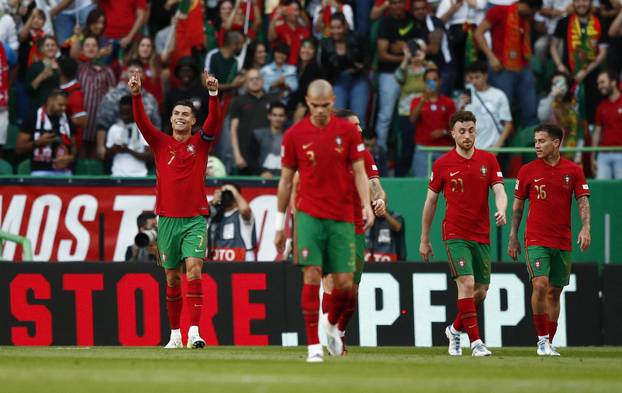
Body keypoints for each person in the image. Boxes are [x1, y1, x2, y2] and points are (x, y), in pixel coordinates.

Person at [274, 80, 374, 362]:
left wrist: (366, 205)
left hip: (342, 216)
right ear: (307, 102)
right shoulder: (295, 134)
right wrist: (280, 225)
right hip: (309, 215)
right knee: (312, 275)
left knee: (344, 285)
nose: (320, 110)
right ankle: (313, 347)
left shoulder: (348, 132)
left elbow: (358, 171)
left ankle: (329, 326)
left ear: (332, 101)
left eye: (325, 105)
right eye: (315, 106)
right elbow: (285, 180)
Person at [127, 68, 221, 349]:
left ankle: (194, 331)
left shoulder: (200, 144)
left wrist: (213, 94)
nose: (180, 117)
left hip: (194, 219)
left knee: (194, 270)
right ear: (171, 119)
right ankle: (175, 335)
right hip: (167, 220)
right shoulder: (160, 143)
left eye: (186, 115)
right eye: (176, 114)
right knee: (171, 278)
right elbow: (142, 122)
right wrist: (136, 95)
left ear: (193, 122)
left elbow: (214, 121)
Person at [419, 110, 507, 357]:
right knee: (466, 283)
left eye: (471, 130)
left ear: (476, 130)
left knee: (480, 291)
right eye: (462, 131)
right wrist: (424, 238)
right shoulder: (442, 164)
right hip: (455, 233)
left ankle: (454, 330)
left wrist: (501, 209)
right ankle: (476, 342)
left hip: (482, 234)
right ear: (453, 134)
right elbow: (430, 202)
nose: (467, 135)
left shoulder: (488, 160)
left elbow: (500, 190)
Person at [508, 123, 591, 356]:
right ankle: (542, 340)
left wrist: (586, 229)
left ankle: (549, 342)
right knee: (540, 284)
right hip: (536, 239)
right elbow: (517, 208)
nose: (536, 145)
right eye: (535, 141)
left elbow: (583, 201)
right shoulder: (527, 171)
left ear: (556, 143)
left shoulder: (573, 170)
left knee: (555, 292)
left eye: (542, 141)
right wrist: (513, 237)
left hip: (562, 240)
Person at [319, 108, 387, 355]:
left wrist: (379, 201)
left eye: (359, 125)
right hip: (328, 224)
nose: (359, 129)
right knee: (330, 283)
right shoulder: (324, 151)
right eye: (354, 125)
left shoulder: (363, 155)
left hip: (355, 226)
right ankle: (332, 338)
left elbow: (376, 186)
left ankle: (338, 331)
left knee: (351, 291)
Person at [474, 0, 541, 129]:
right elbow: (478, 32)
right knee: (503, 109)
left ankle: (533, 143)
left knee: (530, 108)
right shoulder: (499, 11)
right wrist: (491, 57)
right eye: (532, 11)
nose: (532, 14)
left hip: (524, 67)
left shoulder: (525, 19)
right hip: (502, 68)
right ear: (527, 5)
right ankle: (501, 145)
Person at [550, 0, 607, 125]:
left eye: (585, 1)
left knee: (592, 109)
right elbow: (553, 46)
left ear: (591, 3)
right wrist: (560, 66)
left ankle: (590, 138)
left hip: (592, 74)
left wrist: (586, 71)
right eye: (578, 1)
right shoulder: (564, 22)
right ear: (573, 3)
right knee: (566, 110)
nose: (581, 4)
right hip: (568, 74)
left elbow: (602, 52)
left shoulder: (600, 22)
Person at [375, 0, 419, 154]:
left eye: (400, 2)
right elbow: (382, 55)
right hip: (389, 74)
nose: (397, 6)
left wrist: (402, 49)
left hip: (413, 73)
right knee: (385, 115)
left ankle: (414, 151)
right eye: (393, 3)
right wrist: (406, 57)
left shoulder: (412, 19)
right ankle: (380, 152)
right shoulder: (385, 22)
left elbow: (420, 47)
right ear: (389, 5)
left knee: (413, 114)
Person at [96, 60, 160, 160]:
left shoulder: (150, 99)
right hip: (116, 145)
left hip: (143, 147)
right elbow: (102, 123)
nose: (134, 75)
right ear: (125, 74)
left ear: (143, 75)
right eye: (131, 72)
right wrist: (100, 146)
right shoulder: (113, 96)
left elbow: (156, 125)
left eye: (138, 72)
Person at [319, 12, 370, 129]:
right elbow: (324, 68)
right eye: (332, 28)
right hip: (337, 81)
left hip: (358, 79)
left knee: (358, 117)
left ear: (345, 26)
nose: (336, 31)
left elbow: (367, 57)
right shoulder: (326, 44)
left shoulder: (357, 38)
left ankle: (359, 145)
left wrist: (361, 67)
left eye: (338, 27)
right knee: (338, 117)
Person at [394, 40, 435, 176]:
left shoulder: (429, 68)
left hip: (425, 112)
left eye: (419, 50)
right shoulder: (405, 68)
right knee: (407, 148)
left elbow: (434, 84)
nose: (415, 53)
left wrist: (423, 62)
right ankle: (401, 178)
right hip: (407, 112)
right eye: (413, 50)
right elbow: (398, 78)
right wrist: (406, 59)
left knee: (424, 144)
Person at [16, 89, 76, 176]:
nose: (64, 108)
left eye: (65, 105)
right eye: (60, 105)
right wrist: (38, 143)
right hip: (40, 171)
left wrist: (70, 158)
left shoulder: (67, 120)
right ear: (50, 101)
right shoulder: (33, 118)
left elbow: (74, 149)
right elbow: (19, 149)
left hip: (64, 171)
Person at [229, 68, 278, 174]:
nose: (254, 81)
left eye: (257, 78)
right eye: (251, 79)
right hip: (244, 156)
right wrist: (237, 155)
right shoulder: (238, 101)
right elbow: (233, 129)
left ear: (263, 80)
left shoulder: (273, 100)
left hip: (268, 156)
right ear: (246, 82)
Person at [410, 68, 456, 177]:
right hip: (423, 150)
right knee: (422, 186)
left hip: (443, 150)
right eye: (428, 81)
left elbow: (456, 130)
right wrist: (422, 101)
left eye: (434, 80)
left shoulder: (449, 103)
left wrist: (444, 132)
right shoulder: (417, 101)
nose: (432, 83)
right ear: (424, 82)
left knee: (446, 187)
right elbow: (412, 120)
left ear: (440, 81)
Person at [459, 60, 513, 149]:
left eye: (477, 77)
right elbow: (461, 124)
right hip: (473, 148)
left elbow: (508, 124)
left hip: (493, 147)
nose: (474, 81)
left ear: (485, 76)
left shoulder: (498, 95)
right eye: (471, 78)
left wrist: (497, 146)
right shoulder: (467, 95)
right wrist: (461, 108)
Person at [77, 35, 116, 158]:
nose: (91, 48)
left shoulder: (107, 71)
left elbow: (112, 97)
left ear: (99, 49)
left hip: (99, 124)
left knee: (97, 161)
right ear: (82, 50)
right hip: (81, 124)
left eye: (94, 45)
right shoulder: (79, 69)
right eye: (87, 45)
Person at [436, 0, 487, 91]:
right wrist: (453, 9)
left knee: (476, 65)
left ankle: (477, 91)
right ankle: (460, 90)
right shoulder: (447, 1)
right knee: (458, 66)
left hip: (475, 32)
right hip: (455, 34)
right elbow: (438, 21)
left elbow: (481, 6)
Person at [537, 72, 584, 163]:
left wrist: (578, 153)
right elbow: (542, 116)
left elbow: (580, 130)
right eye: (554, 83)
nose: (558, 86)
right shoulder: (546, 101)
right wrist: (552, 95)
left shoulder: (574, 105)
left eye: (561, 83)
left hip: (571, 154)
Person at [105, 95, 152, 177]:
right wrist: (115, 149)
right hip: (117, 175)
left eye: (127, 113)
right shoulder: (114, 128)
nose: (124, 116)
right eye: (122, 113)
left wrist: (129, 151)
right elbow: (106, 157)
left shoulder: (144, 129)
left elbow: (150, 156)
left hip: (139, 176)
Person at [207, 183, 257, 262]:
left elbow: (245, 210)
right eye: (224, 193)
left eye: (229, 193)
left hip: (242, 263)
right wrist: (213, 202)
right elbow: (198, 217)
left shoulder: (241, 215)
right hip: (217, 264)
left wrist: (233, 190)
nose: (226, 196)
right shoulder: (215, 215)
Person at [164, 56, 212, 132]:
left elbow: (210, 117)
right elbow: (167, 120)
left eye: (189, 71)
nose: (185, 74)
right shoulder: (171, 94)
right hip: (177, 137)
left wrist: (203, 129)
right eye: (182, 71)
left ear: (194, 72)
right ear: (178, 73)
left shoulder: (203, 93)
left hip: (199, 137)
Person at [593, 70, 622, 179]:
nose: (599, 86)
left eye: (602, 82)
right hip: (603, 155)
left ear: (613, 82)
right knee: (601, 189)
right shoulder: (601, 106)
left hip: (621, 153)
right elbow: (597, 132)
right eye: (598, 83)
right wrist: (593, 156)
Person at [250, 101, 287, 178]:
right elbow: (251, 159)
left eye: (281, 115)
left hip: (284, 178)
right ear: (269, 116)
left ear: (285, 117)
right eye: (274, 115)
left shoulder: (291, 136)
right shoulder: (257, 134)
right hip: (261, 179)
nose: (277, 118)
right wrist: (261, 173)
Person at [58, 56, 88, 151]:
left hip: (70, 146)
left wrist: (62, 117)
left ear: (61, 72)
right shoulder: (60, 89)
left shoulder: (75, 94)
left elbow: (83, 120)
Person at [268, 1, 311, 65]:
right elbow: (270, 38)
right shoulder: (280, 26)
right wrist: (274, 19)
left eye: (296, 10)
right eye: (291, 9)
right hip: (282, 67)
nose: (294, 13)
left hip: (299, 67)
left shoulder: (303, 29)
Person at [26, 35, 60, 112]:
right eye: (47, 45)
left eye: (53, 45)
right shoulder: (35, 66)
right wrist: (41, 77)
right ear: (42, 49)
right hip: (39, 108)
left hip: (58, 107)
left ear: (57, 48)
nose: (50, 48)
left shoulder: (63, 65)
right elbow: (29, 89)